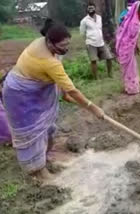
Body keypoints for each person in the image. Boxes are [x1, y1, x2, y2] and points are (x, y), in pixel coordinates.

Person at [2, 24, 105, 179]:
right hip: (20, 96)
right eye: (63, 45)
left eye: (68, 44)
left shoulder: (43, 43)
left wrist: (64, 93)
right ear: (50, 42)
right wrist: (93, 108)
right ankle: (38, 171)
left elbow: (59, 80)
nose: (66, 48)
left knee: (48, 129)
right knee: (33, 133)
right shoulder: (48, 61)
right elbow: (72, 90)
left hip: (32, 91)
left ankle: (43, 160)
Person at [116, 1, 140, 95]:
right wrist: (135, 46)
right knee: (130, 69)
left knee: (131, 69)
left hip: (127, 48)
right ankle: (132, 89)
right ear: (138, 11)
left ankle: (132, 86)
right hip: (126, 49)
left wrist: (136, 46)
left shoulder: (132, 20)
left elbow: (133, 38)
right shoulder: (134, 23)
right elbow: (129, 39)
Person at [80, 2, 113, 79]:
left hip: (101, 42)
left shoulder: (99, 18)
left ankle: (110, 74)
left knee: (109, 57)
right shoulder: (84, 21)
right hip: (91, 43)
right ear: (87, 10)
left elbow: (100, 29)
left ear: (95, 8)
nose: (91, 9)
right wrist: (87, 41)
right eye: (89, 8)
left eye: (92, 8)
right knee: (93, 60)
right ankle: (96, 78)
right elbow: (82, 33)